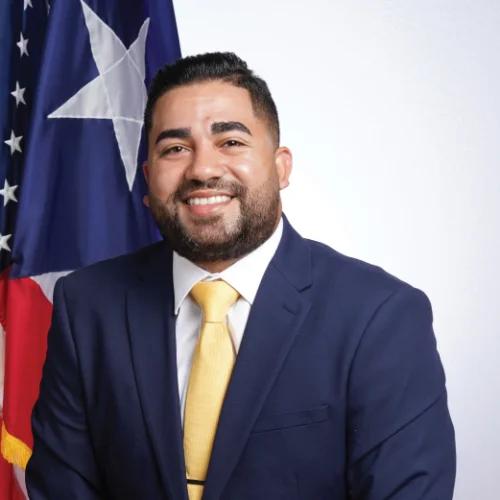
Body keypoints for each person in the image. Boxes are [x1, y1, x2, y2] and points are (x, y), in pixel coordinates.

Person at [26, 52, 455, 500]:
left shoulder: (380, 316)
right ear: (149, 179)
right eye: (175, 149)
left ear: (281, 166)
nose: (203, 169)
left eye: (230, 141)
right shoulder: (88, 305)